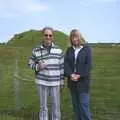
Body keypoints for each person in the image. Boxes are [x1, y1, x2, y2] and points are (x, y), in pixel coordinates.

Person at [28, 27, 64, 120]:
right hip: (42, 82)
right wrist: (37, 67)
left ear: (53, 37)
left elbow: (62, 67)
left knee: (56, 106)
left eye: (50, 35)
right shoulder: (36, 50)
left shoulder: (59, 50)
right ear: (43, 36)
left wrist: (62, 81)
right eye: (46, 35)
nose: (48, 37)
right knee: (43, 107)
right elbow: (30, 63)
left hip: (55, 82)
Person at [64, 29, 92, 120]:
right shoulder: (69, 50)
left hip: (83, 82)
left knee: (84, 105)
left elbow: (89, 65)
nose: (74, 39)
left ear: (79, 37)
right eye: (72, 37)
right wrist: (70, 74)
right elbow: (66, 64)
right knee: (76, 105)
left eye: (76, 37)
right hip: (72, 81)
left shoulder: (87, 49)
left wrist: (79, 75)